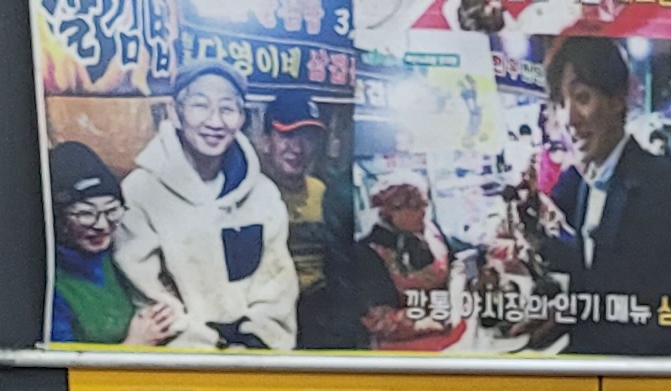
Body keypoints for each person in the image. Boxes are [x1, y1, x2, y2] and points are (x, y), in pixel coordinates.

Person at [539, 35, 671, 353]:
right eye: (560, 104)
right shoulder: (578, 183)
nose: (569, 118)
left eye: (582, 97)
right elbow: (595, 280)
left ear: (619, 98)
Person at [121, 63, 300, 349]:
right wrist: (210, 342)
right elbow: (147, 292)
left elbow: (277, 285)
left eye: (228, 109)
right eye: (200, 105)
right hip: (181, 361)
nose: (215, 121)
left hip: (255, 359)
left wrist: (253, 340)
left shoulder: (262, 194)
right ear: (174, 112)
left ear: (242, 117)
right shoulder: (140, 192)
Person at [258, 90, 369, 347]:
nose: (297, 148)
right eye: (286, 135)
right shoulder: (252, 197)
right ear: (266, 141)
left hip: (320, 316)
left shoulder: (324, 192)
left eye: (307, 137)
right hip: (270, 316)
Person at [47, 142, 183, 346]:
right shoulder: (53, 286)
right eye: (85, 214)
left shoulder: (123, 256)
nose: (102, 225)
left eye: (112, 211)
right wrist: (135, 344)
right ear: (58, 217)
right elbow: (59, 373)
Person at [354, 175, 471, 348]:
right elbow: (375, 316)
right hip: (402, 345)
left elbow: (455, 263)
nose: (422, 212)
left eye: (424, 204)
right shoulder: (368, 251)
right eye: (414, 207)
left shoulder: (432, 232)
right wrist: (427, 321)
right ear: (390, 210)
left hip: (447, 332)